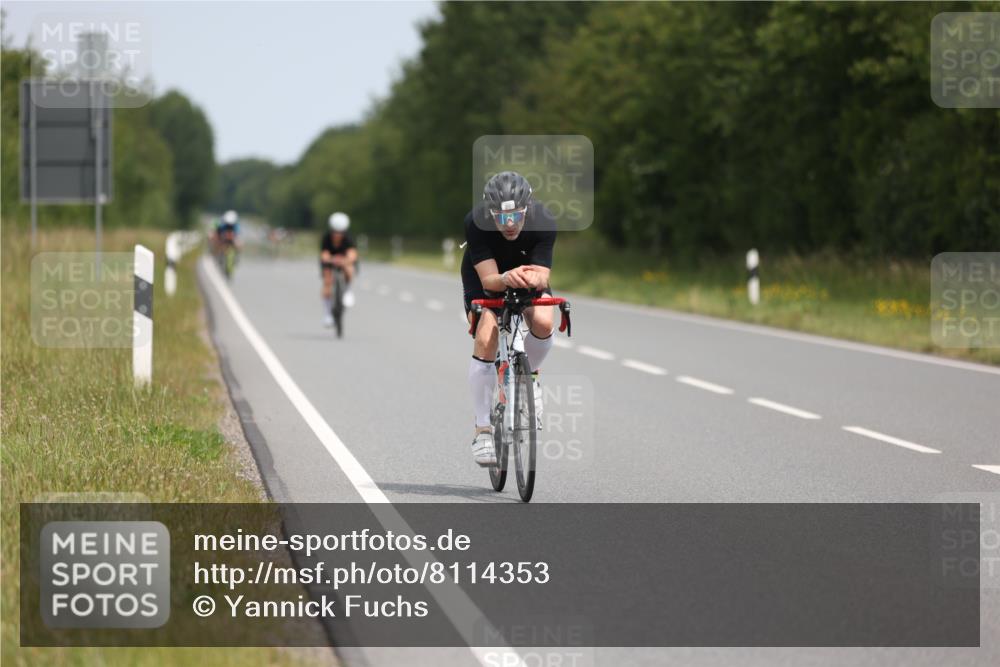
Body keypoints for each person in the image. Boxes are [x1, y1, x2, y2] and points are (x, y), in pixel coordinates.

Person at [463, 171, 556, 467]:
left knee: (543, 322)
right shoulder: (475, 222)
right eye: (502, 219)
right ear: (490, 214)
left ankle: (530, 378)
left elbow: (542, 276)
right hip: (488, 275)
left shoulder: (544, 219)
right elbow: (489, 280)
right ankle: (482, 430)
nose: (510, 225)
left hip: (526, 274)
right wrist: (505, 277)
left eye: (516, 217)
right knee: (487, 331)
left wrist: (528, 277)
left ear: (527, 209)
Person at [320, 211, 358, 327]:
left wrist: (345, 261)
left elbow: (352, 254)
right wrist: (328, 259)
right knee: (327, 281)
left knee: (349, 268)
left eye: (340, 232)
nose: (337, 235)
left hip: (344, 260)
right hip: (330, 261)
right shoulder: (326, 238)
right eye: (335, 232)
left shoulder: (348, 238)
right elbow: (324, 253)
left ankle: (348, 291)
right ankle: (327, 314)